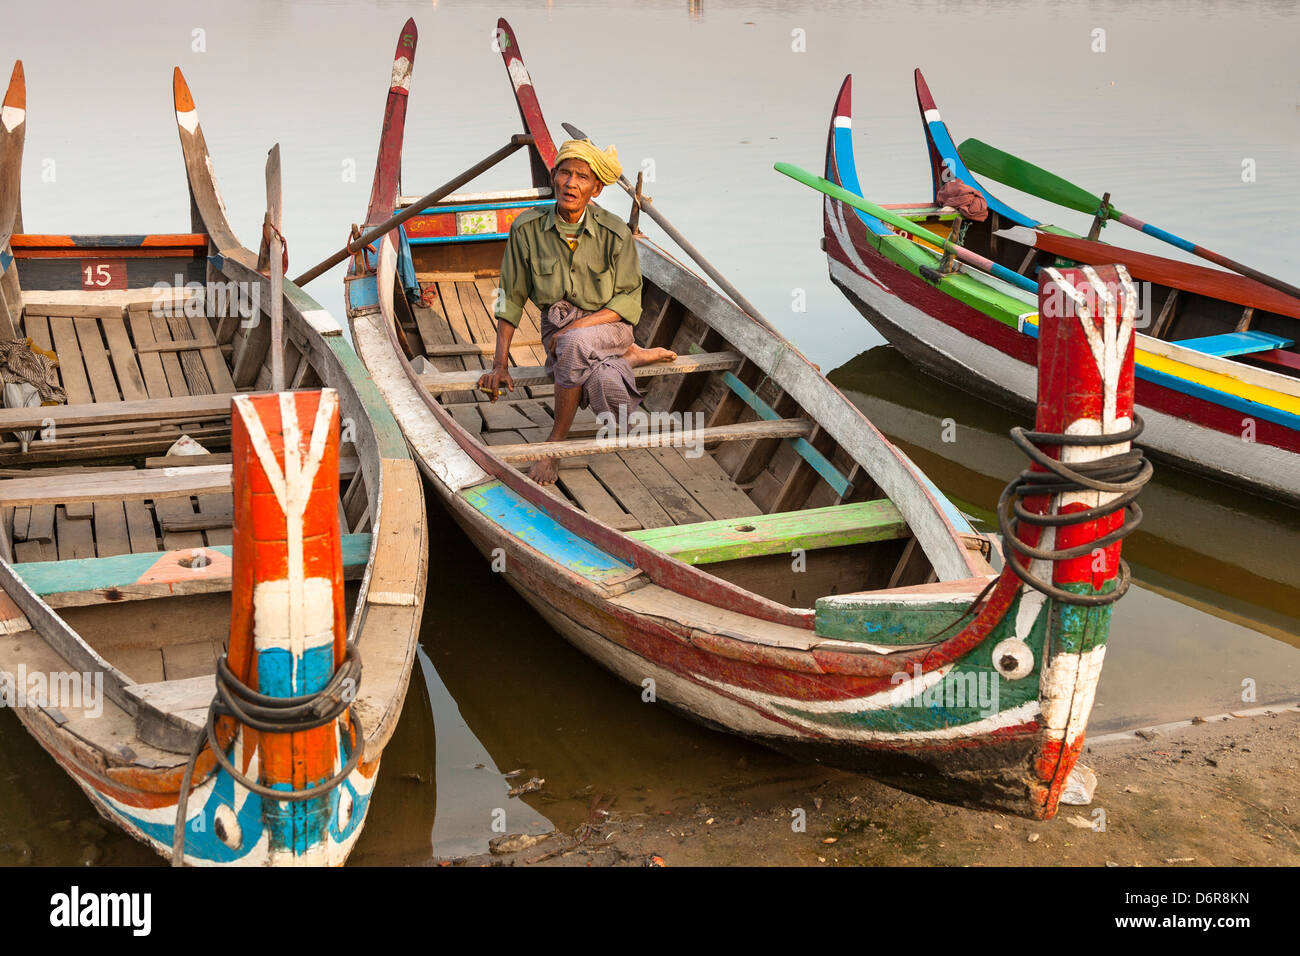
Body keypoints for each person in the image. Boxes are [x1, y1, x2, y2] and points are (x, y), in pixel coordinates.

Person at [477, 138, 675, 484]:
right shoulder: (526, 229)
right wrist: (499, 363)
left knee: (573, 347)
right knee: (604, 381)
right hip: (558, 324)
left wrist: (576, 331)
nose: (571, 184)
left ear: (596, 188)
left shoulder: (615, 233)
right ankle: (626, 359)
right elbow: (510, 298)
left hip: (610, 325)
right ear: (553, 177)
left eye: (582, 177)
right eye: (564, 174)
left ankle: (553, 447)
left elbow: (628, 301)